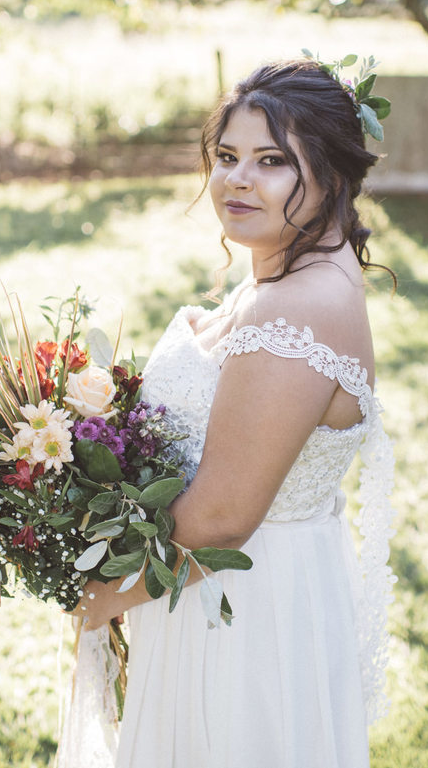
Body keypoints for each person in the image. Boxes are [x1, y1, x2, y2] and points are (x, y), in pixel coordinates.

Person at [60, 58, 397, 768]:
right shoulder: (283, 275)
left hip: (244, 618)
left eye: (272, 161)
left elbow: (221, 517)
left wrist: (97, 592)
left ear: (332, 176)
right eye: (226, 157)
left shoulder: (299, 304)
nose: (237, 179)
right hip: (218, 594)